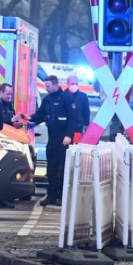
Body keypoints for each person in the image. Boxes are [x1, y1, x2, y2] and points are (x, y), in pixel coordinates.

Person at [29, 75, 80, 207]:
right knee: (51, 169)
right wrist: (28, 120)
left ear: (56, 85)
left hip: (63, 139)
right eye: (45, 86)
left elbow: (74, 118)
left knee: (62, 168)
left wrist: (69, 135)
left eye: (48, 86)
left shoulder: (66, 99)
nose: (46, 88)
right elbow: (40, 116)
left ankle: (62, 197)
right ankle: (51, 196)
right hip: (52, 139)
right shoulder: (48, 100)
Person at [66, 75, 90, 143]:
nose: (74, 85)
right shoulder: (63, 95)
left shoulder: (83, 96)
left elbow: (86, 111)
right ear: (67, 84)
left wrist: (87, 124)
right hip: (65, 127)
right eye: (72, 84)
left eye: (76, 84)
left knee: (75, 148)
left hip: (78, 126)